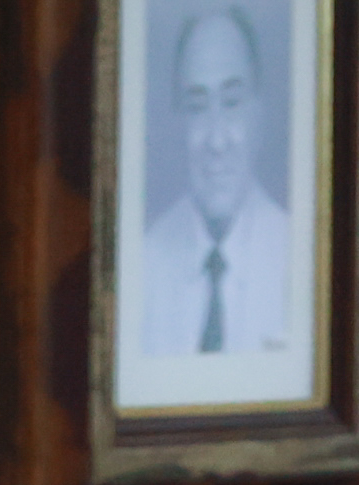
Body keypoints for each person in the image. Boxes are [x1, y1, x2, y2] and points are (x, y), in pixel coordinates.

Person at [138, 9, 302, 360]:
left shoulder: (299, 262)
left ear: (259, 115)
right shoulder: (143, 267)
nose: (216, 140)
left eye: (232, 103)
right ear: (178, 122)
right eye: (197, 107)